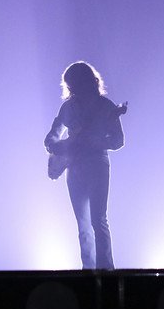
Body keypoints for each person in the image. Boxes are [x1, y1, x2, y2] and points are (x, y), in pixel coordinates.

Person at [44, 61, 125, 270]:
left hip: (97, 164)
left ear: (86, 82)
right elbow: (51, 137)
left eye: (74, 84)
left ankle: (105, 270)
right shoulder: (68, 107)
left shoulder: (106, 106)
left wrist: (96, 143)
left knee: (98, 219)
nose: (72, 90)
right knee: (83, 224)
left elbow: (118, 140)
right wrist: (57, 146)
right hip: (75, 167)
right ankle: (88, 270)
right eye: (70, 86)